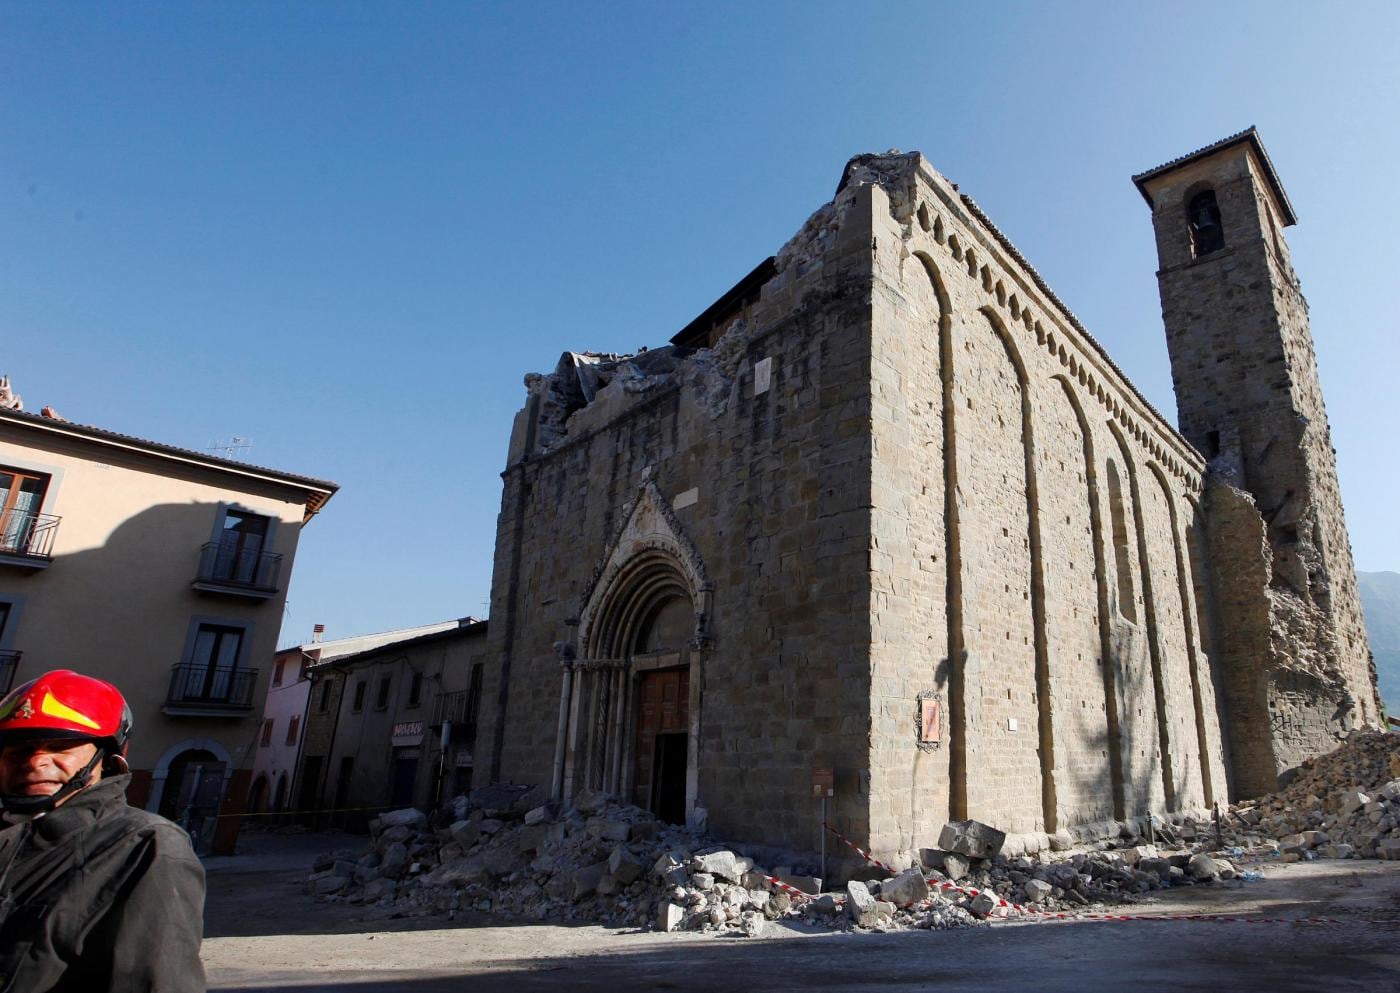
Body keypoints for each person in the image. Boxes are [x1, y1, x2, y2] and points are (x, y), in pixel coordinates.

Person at [0, 669, 206, 992]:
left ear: (106, 761)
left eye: (59, 747)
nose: (35, 762)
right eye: (18, 750)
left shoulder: (146, 846)